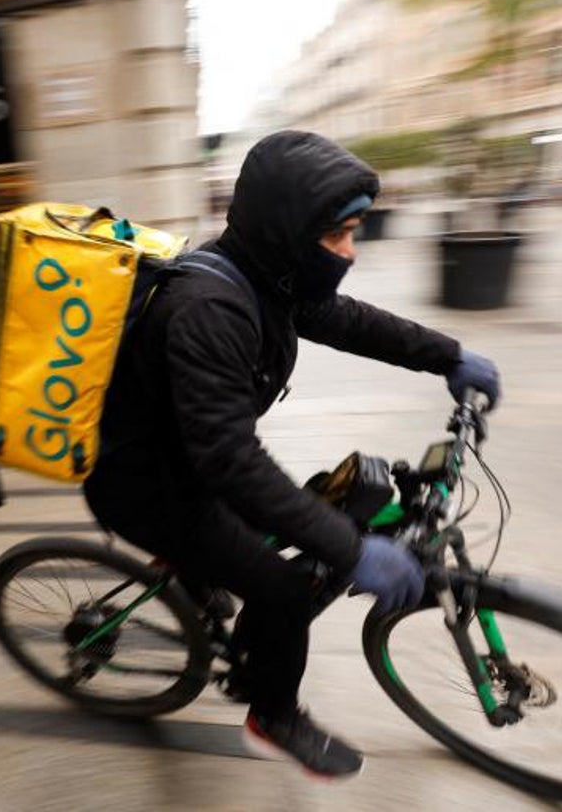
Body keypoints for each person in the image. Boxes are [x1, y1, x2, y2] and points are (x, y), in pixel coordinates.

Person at [83, 131, 501, 779]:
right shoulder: (209, 310)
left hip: (185, 458)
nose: (350, 253)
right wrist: (353, 551)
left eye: (354, 232)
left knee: (320, 510)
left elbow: (352, 322)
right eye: (338, 235)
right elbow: (229, 461)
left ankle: (199, 578)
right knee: (282, 586)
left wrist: (447, 355)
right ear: (289, 229)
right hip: (147, 485)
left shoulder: (268, 275)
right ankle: (271, 715)